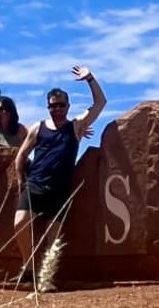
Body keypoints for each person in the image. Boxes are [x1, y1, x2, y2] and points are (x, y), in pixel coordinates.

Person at [12, 64, 107, 288]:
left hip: (60, 189)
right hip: (34, 184)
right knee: (20, 224)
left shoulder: (76, 127)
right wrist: (19, 179)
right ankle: (29, 267)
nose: (57, 109)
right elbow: (21, 155)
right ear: (48, 106)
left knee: (53, 238)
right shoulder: (38, 128)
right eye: (53, 106)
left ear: (68, 106)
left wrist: (90, 79)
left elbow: (100, 104)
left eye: (61, 105)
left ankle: (46, 280)